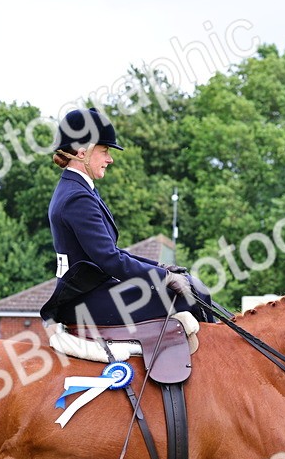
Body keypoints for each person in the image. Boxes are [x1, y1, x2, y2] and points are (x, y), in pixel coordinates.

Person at [39, 108, 200, 331]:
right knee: (188, 295)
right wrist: (163, 278)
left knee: (191, 286)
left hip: (94, 291)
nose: (110, 159)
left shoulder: (78, 188)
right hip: (86, 300)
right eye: (104, 151)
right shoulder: (77, 197)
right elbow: (110, 260)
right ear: (82, 152)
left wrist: (160, 266)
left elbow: (111, 252)